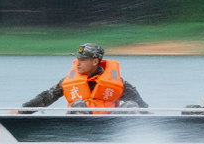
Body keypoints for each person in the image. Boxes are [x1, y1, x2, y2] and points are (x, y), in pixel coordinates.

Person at [16, 43, 146, 113]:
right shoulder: (67, 81)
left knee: (131, 106)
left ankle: (129, 143)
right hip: (78, 129)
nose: (77, 63)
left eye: (82, 60)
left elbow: (142, 107)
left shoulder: (118, 83)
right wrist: (20, 112)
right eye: (77, 59)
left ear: (95, 62)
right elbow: (44, 99)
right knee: (79, 105)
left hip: (111, 126)